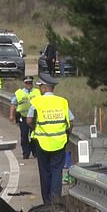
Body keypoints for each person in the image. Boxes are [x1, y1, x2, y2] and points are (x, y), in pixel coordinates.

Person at [27, 73, 74, 204]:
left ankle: (47, 203)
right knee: (57, 172)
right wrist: (66, 135)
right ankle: (56, 202)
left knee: (45, 172)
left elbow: (29, 120)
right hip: (59, 143)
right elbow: (71, 121)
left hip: (42, 143)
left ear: (43, 88)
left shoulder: (36, 102)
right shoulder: (62, 102)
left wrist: (36, 129)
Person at [9, 76, 41, 159]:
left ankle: (35, 152)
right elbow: (13, 104)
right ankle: (26, 153)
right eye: (27, 83)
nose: (29, 85)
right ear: (24, 83)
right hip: (23, 117)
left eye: (30, 83)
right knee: (24, 136)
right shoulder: (19, 93)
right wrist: (11, 115)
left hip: (35, 118)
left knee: (34, 136)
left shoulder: (37, 92)